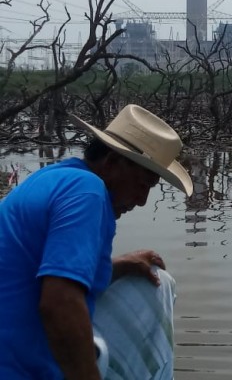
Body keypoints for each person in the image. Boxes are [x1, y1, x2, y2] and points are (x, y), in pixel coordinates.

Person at [0, 104, 193, 379]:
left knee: (156, 281)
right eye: (142, 184)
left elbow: (38, 273)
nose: (141, 201)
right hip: (19, 370)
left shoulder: (57, 176)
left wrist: (120, 266)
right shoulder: (87, 192)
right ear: (112, 162)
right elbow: (60, 303)